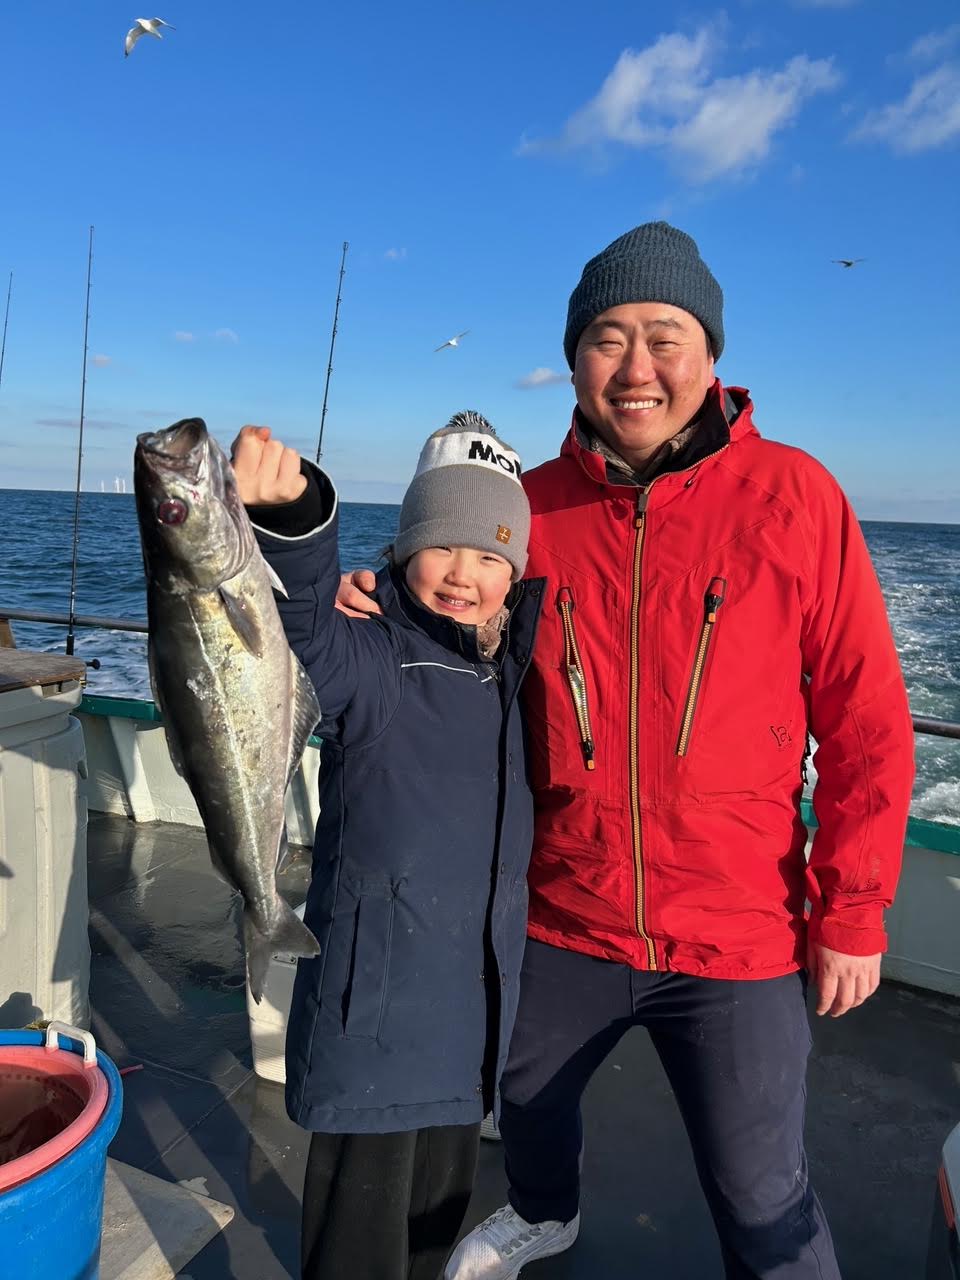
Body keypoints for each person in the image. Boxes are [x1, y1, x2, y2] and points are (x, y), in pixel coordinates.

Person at [337, 222, 916, 1280]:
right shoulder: (532, 509)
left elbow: (869, 720)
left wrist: (854, 907)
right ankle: (546, 1212)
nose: (637, 366)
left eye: (665, 335)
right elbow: (450, 605)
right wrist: (372, 598)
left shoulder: (798, 496)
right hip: (565, 909)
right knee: (523, 1101)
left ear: (711, 356)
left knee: (763, 1193)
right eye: (608, 337)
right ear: (574, 359)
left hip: (740, 933)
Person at [231, 410, 545, 1280]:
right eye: (443, 547)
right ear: (405, 549)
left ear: (514, 573)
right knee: (356, 1260)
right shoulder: (370, 659)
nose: (463, 575)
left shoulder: (516, 680)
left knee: (429, 1245)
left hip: (467, 1045)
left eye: (490, 556)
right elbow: (299, 634)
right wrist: (294, 524)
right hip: (373, 1047)